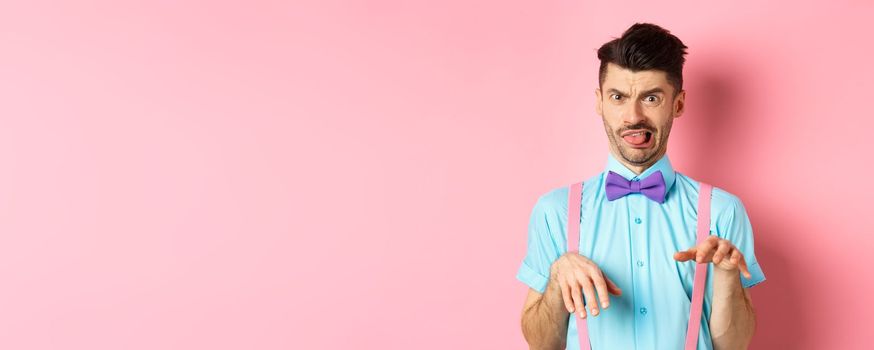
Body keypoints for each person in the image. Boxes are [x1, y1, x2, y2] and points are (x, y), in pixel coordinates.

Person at [516, 23, 766, 350]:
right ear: (600, 102)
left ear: (677, 104)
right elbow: (541, 343)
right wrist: (556, 279)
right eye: (618, 97)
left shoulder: (723, 211)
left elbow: (733, 346)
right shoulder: (555, 211)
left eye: (651, 97)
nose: (633, 116)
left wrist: (728, 277)